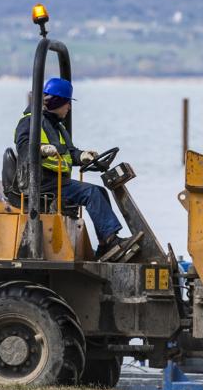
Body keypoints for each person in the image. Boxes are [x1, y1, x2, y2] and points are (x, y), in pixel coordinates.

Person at [13, 77, 143, 262]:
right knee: (90, 193)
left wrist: (82, 156)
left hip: (56, 181)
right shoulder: (29, 123)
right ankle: (110, 239)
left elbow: (68, 152)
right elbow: (24, 148)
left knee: (98, 191)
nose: (69, 108)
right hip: (41, 182)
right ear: (55, 101)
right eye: (67, 103)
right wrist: (41, 149)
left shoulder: (56, 126)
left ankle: (106, 243)